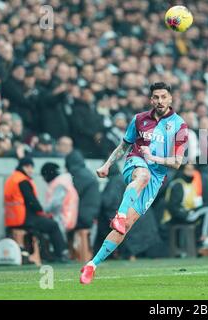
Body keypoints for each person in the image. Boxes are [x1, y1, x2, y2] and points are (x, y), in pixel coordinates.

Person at [80, 82, 188, 284]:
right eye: (156, 97)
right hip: (135, 163)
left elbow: (177, 162)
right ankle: (119, 215)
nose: (160, 101)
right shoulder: (139, 120)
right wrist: (107, 165)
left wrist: (155, 159)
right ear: (151, 100)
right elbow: (123, 146)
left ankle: (91, 265)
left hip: (157, 177)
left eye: (164, 96)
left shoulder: (179, 125)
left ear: (171, 99)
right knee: (142, 176)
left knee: (125, 227)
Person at [4, 157, 68, 262]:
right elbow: (33, 203)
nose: (31, 170)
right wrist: (42, 212)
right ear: (23, 167)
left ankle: (43, 254)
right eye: (28, 167)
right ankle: (61, 254)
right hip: (24, 219)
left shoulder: (11, 179)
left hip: (12, 220)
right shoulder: (22, 181)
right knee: (53, 225)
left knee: (44, 225)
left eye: (31, 167)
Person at [162, 163, 208, 249]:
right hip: (174, 217)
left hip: (187, 214)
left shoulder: (190, 185)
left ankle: (201, 239)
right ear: (182, 170)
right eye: (188, 169)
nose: (191, 172)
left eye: (192, 169)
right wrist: (187, 213)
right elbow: (173, 207)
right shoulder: (178, 185)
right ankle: (203, 238)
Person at [40, 162, 79, 241]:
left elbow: (56, 204)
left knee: (59, 243)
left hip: (62, 218)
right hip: (68, 217)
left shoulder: (59, 184)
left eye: (43, 176)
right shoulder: (65, 182)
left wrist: (43, 210)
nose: (43, 179)